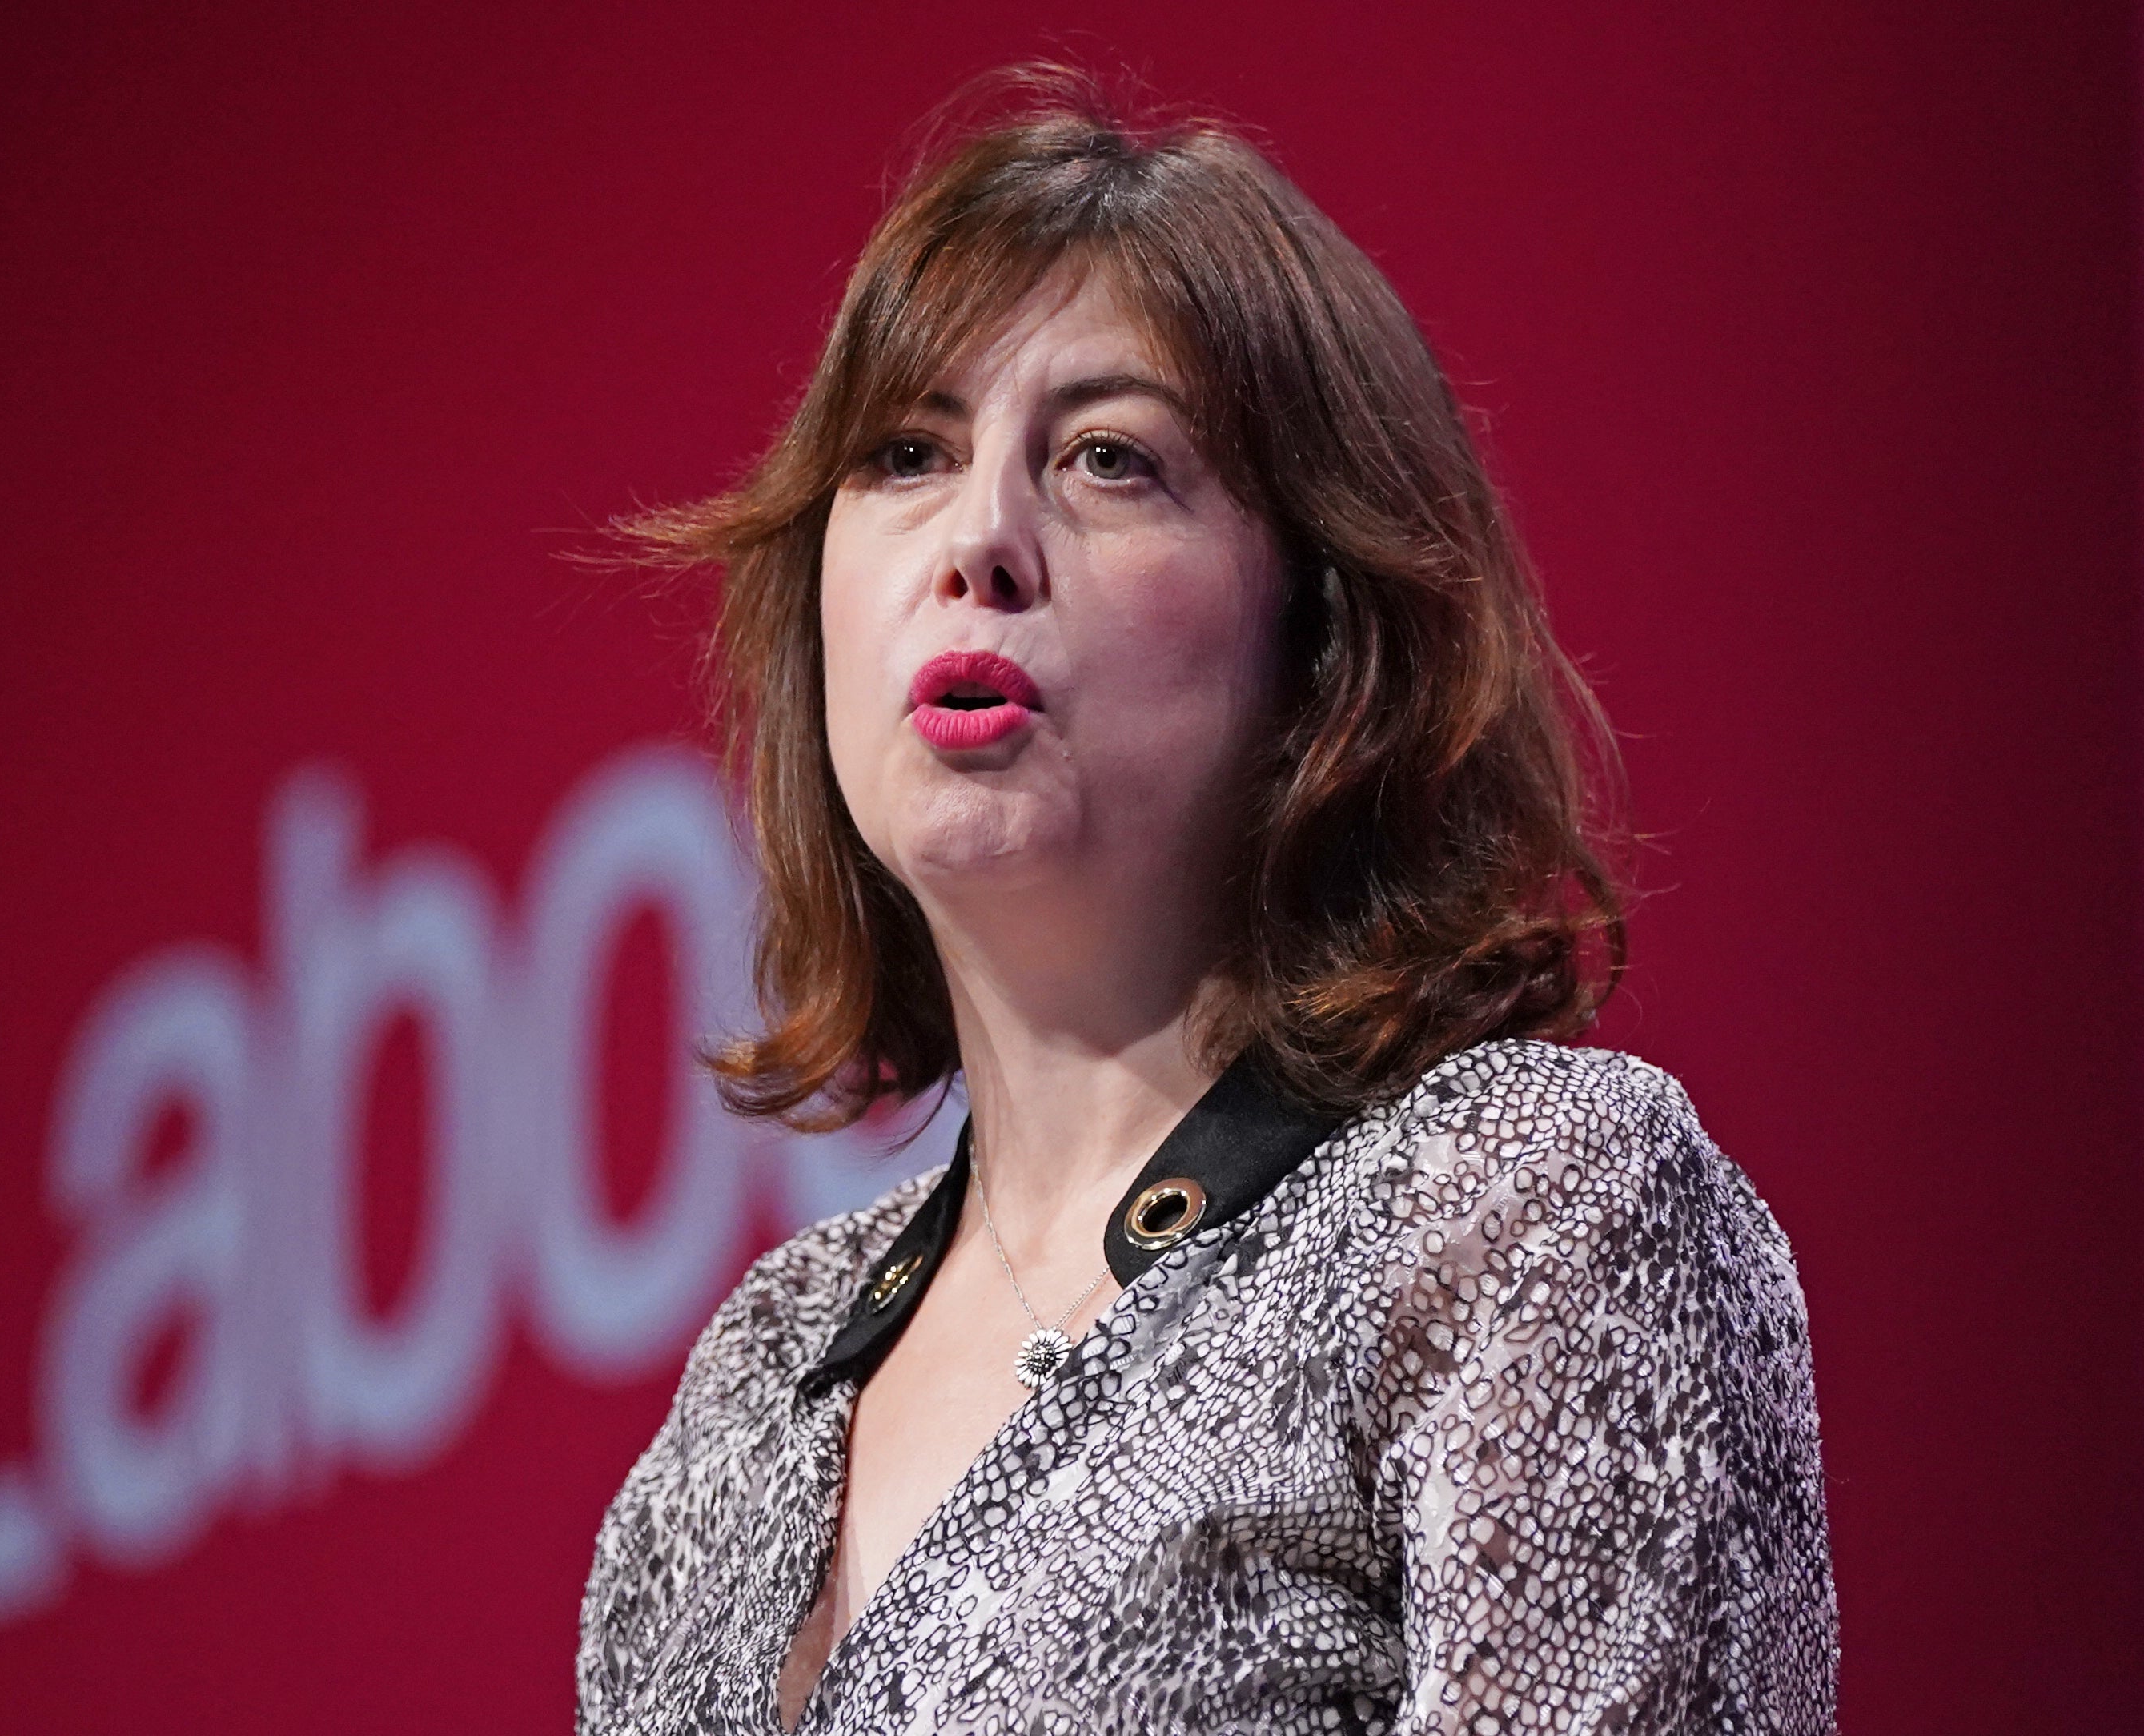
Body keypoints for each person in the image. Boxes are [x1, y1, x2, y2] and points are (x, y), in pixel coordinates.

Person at [576, 68, 1834, 1735]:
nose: (982, 537)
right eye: (905, 453)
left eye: (1108, 458)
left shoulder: (1512, 1212)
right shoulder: (756, 1380)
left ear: (1321, 629)